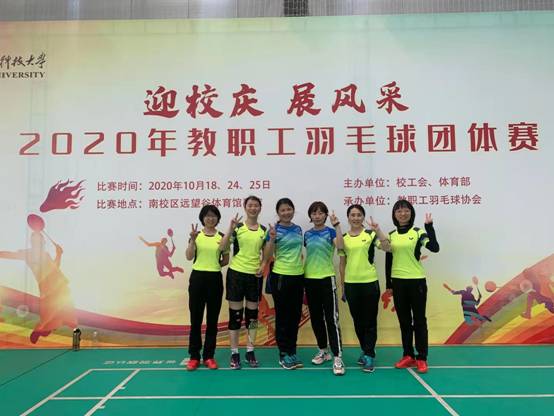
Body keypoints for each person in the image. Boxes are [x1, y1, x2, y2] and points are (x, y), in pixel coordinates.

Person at [386, 199, 439, 374]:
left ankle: (422, 357)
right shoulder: (391, 235)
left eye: (406, 210)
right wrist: (389, 284)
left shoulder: (418, 232)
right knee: (404, 321)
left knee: (419, 320)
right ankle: (408, 355)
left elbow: (434, 248)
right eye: (399, 211)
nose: (403, 213)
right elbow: (388, 261)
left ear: (411, 213)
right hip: (398, 282)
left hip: (416, 282)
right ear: (394, 215)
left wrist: (429, 227)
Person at [338, 204, 390, 373]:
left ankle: (369, 354)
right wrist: (343, 285)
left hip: (369, 283)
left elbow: (387, 247)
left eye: (359, 215)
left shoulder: (370, 235)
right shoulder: (343, 238)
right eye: (352, 215)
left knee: (369, 321)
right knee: (358, 321)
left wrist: (378, 230)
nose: (356, 218)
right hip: (351, 285)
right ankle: (365, 349)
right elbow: (342, 264)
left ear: (363, 217)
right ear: (348, 218)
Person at [0, 231, 77, 344]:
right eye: (36, 241)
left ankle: (47, 328)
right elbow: (11, 254)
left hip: (59, 284)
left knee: (64, 317)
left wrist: (58, 255)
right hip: (50, 287)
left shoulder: (45, 255)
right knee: (56, 315)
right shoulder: (28, 254)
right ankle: (43, 328)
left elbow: (55, 267)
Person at [220, 196, 267, 369]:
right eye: (250, 205)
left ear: (260, 208)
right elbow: (222, 247)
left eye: (256, 205)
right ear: (245, 207)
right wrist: (230, 228)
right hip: (236, 275)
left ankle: (250, 351)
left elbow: (267, 253)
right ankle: (234, 353)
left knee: (252, 317)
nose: (253, 208)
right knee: (235, 316)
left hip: (254, 277)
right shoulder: (238, 228)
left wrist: (263, 265)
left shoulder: (263, 230)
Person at [303, 201, 346, 376]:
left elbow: (341, 247)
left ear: (326, 215)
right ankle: (323, 350)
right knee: (316, 319)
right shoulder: (307, 234)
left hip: (327, 279)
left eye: (321, 213)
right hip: (309, 279)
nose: (317, 216)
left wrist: (337, 226)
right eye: (314, 213)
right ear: (310, 216)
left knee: (331, 319)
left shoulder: (331, 231)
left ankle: (337, 357)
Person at [185, 205, 229, 370]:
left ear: (218, 218)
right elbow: (189, 256)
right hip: (197, 278)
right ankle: (194, 356)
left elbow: (226, 260)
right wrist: (192, 240)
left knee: (212, 320)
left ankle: (209, 356)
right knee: (195, 319)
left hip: (214, 279)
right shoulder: (196, 235)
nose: (210, 218)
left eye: (213, 216)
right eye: (207, 216)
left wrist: (213, 266)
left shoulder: (222, 236)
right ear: (202, 218)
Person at [264, 198, 304, 370]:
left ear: (293, 210)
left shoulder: (298, 229)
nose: (286, 212)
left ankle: (292, 350)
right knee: (282, 316)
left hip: (298, 276)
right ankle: (283, 353)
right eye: (283, 210)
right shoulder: (274, 230)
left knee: (295, 315)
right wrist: (272, 239)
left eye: (289, 209)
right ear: (278, 213)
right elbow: (267, 256)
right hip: (281, 276)